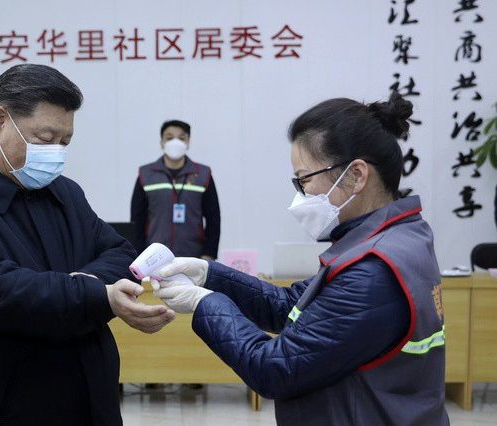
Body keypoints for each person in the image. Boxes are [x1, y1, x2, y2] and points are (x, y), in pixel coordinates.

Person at [152, 92, 449, 425]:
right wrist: (210, 275)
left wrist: (204, 303)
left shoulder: (371, 272)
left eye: (305, 179)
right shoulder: (394, 238)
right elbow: (292, 306)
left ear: (356, 175)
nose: (301, 194)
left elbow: (274, 368)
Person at [0, 64, 175, 426]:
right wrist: (94, 294)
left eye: (65, 142)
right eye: (45, 138)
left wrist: (85, 286)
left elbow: (119, 253)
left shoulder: (64, 193)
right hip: (4, 407)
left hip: (91, 402)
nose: (56, 153)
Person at [131, 120, 220, 260]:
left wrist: (209, 254)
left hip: (193, 257)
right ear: (161, 142)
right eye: (169, 138)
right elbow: (137, 220)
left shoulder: (203, 174)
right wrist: (139, 254)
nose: (175, 142)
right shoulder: (146, 174)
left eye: (181, 138)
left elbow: (213, 218)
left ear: (188, 142)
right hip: (154, 257)